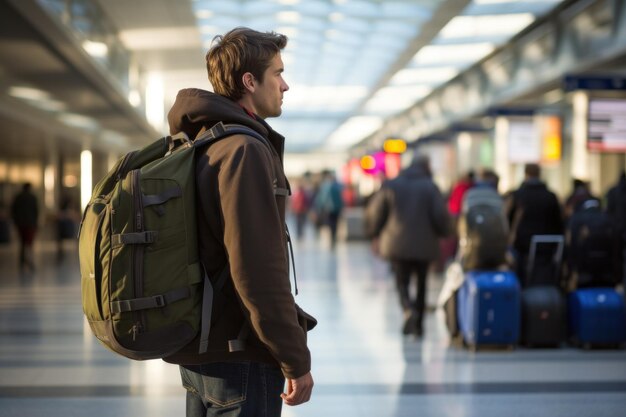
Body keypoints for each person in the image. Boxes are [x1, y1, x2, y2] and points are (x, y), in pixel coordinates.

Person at [163, 27, 314, 417]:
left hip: (203, 348)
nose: (285, 85)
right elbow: (257, 270)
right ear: (249, 81)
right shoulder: (243, 150)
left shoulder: (202, 141)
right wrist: (294, 358)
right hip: (239, 355)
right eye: (277, 74)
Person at [365, 155, 450, 337]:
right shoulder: (430, 186)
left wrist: (374, 234)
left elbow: (377, 212)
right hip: (425, 242)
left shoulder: (391, 184)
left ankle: (407, 308)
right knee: (422, 282)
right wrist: (445, 232)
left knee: (401, 279)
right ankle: (418, 325)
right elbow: (440, 214)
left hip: (397, 242)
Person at [505, 163, 562, 282]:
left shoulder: (517, 195)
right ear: (539, 174)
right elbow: (558, 222)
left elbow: (507, 220)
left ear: (525, 174)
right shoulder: (550, 196)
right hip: (547, 245)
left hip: (522, 245)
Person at [11, 182, 39, 271]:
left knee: (22, 243)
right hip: (30, 224)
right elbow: (36, 212)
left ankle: (22, 262)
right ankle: (30, 262)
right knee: (29, 244)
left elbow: (13, 211)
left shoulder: (18, 197)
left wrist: (16, 222)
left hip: (21, 224)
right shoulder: (32, 198)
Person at [313, 170, 344, 248]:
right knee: (335, 223)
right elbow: (341, 198)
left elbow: (322, 198)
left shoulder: (326, 186)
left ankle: (332, 238)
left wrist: (320, 207)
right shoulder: (337, 186)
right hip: (336, 208)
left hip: (329, 208)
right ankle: (333, 237)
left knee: (331, 224)